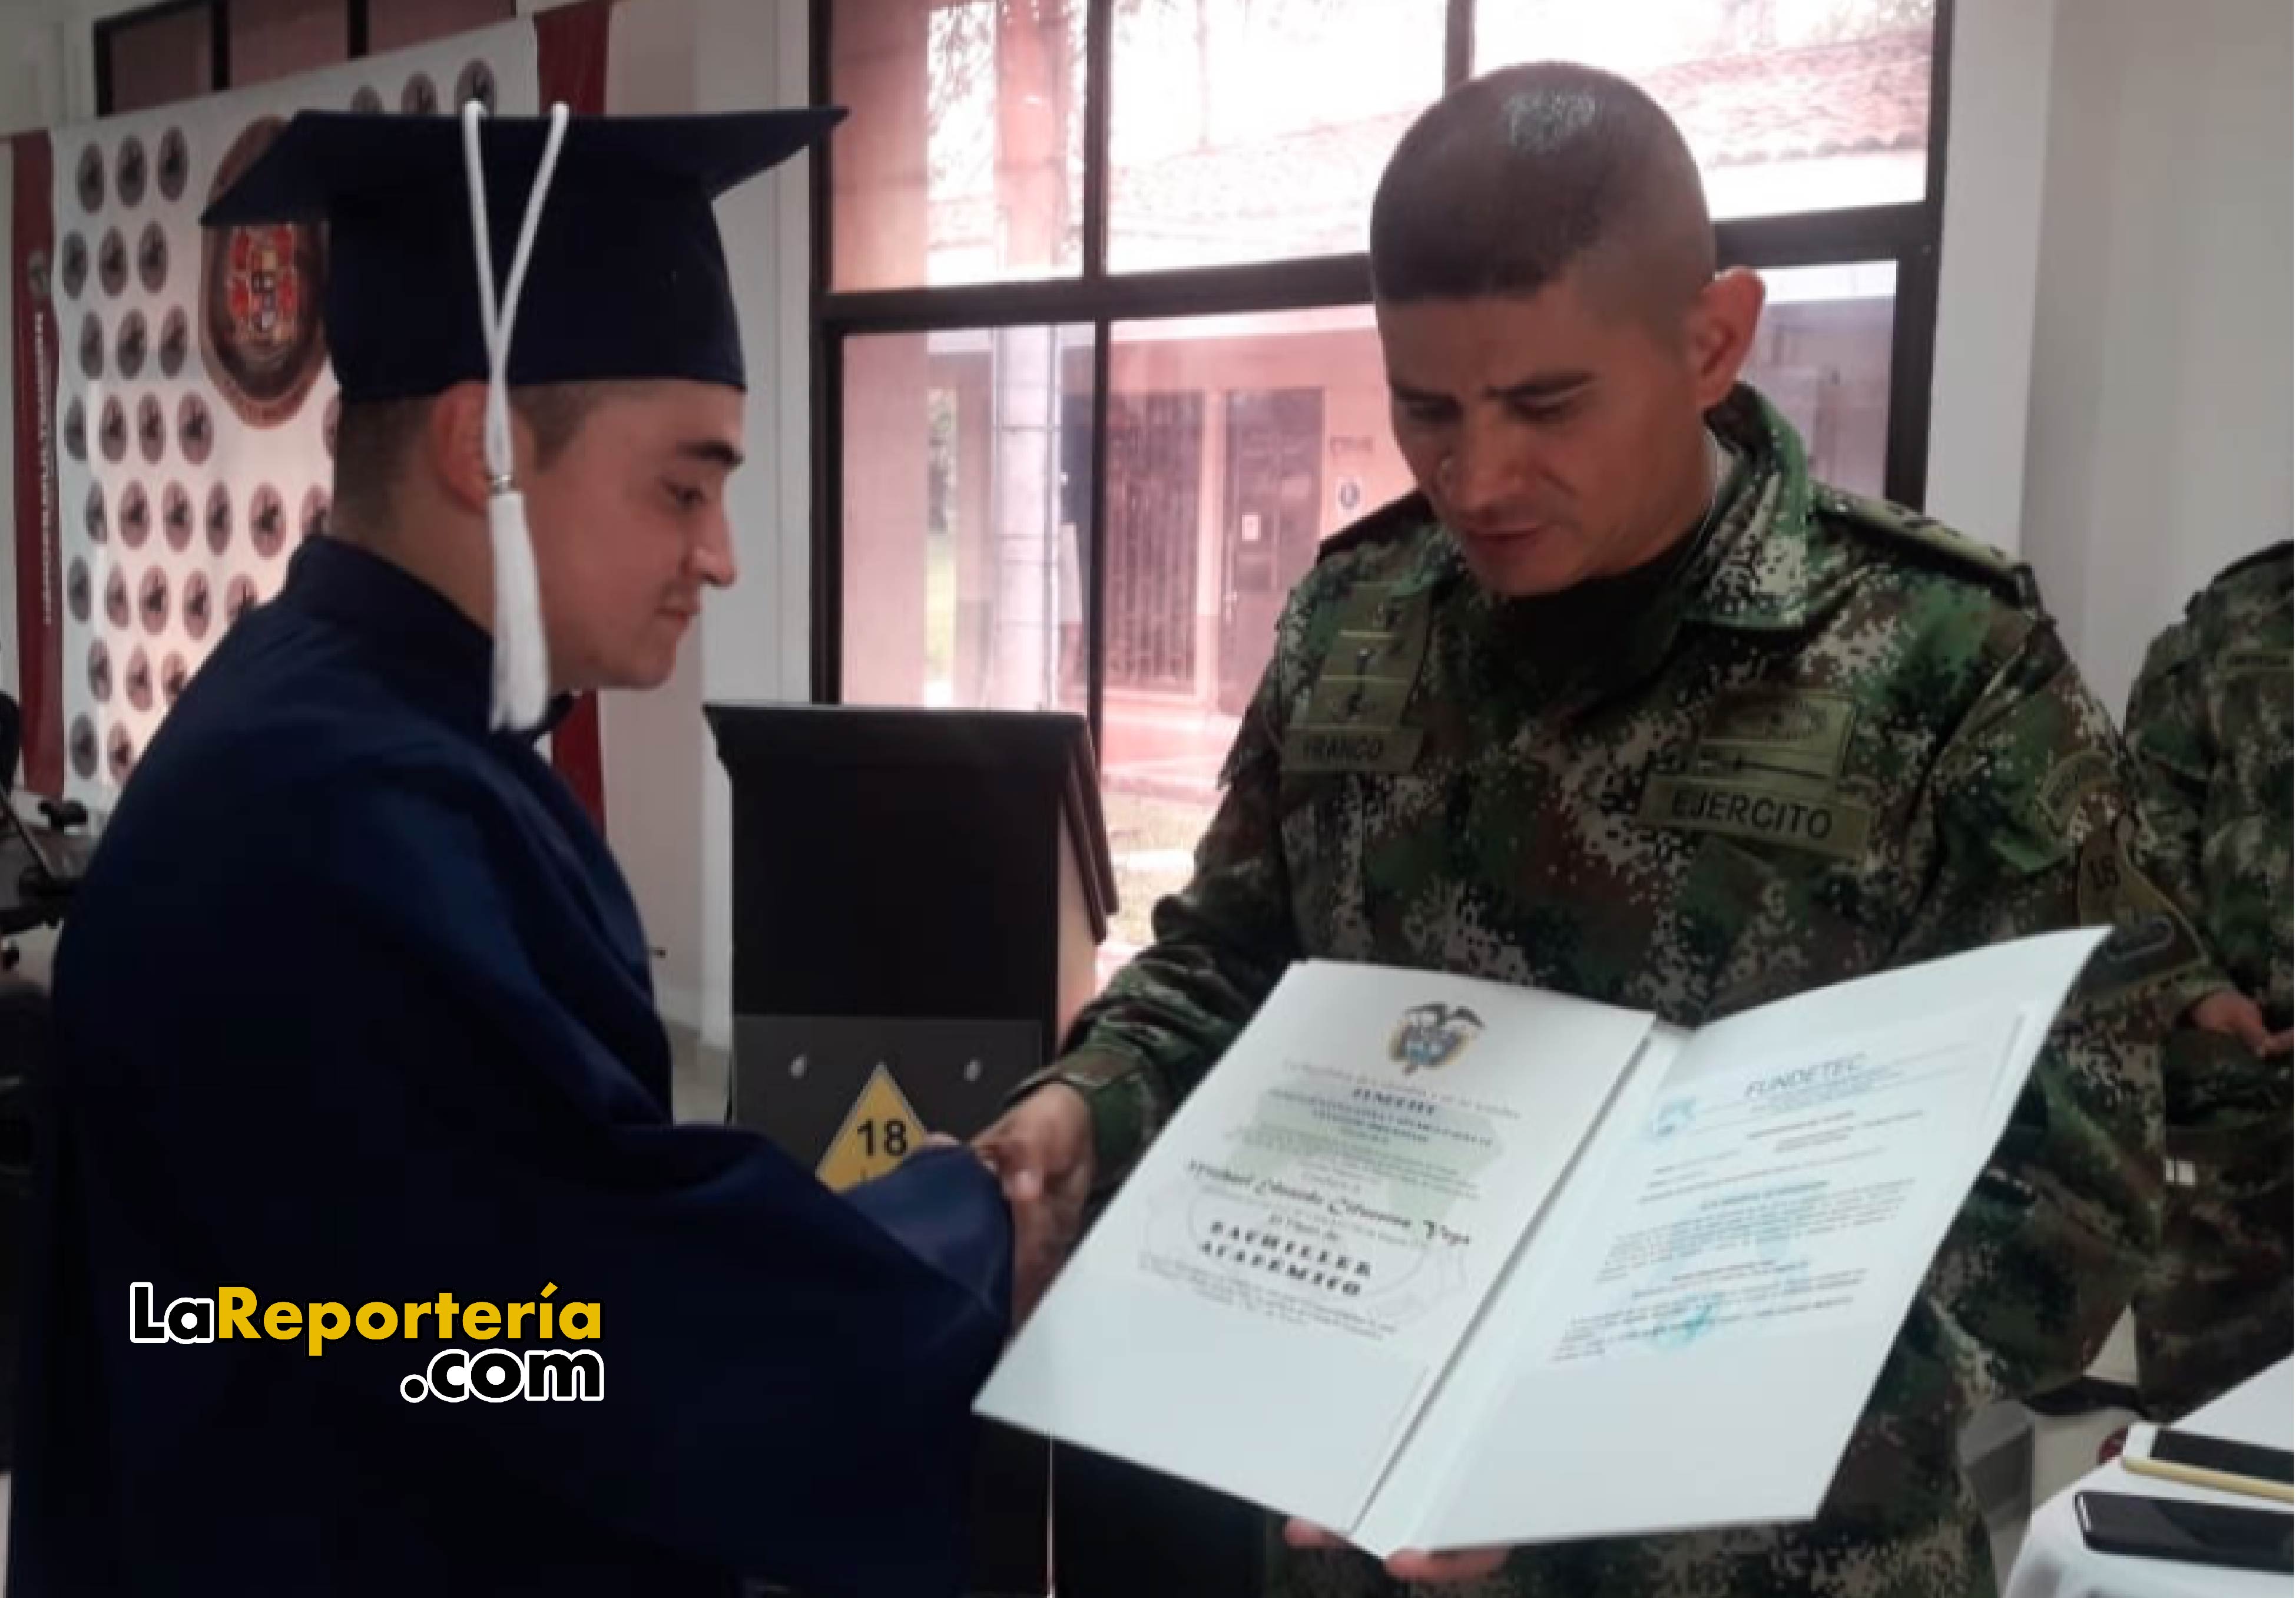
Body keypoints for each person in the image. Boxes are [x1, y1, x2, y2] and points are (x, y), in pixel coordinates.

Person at [976, 62, 2214, 1598]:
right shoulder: (1358, 617)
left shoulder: (1946, 668)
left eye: (1545, 404)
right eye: (1426, 408)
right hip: (1357, 1537)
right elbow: (1230, 963)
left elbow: (2071, 1189)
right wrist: (1087, 1102)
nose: (1476, 476)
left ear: (1711, 341)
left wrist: (1609, 1437)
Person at [11, 109, 1013, 1598]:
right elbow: (581, 1341)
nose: (721, 553)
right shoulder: (337, 816)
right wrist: (971, 1217)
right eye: (683, 486)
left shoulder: (346, 711)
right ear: (479, 447)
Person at [2123, 542, 2292, 1419]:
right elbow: (2139, 827)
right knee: (2209, 1443)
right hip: (2244, 1100)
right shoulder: (2234, 622)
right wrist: (2193, 988)